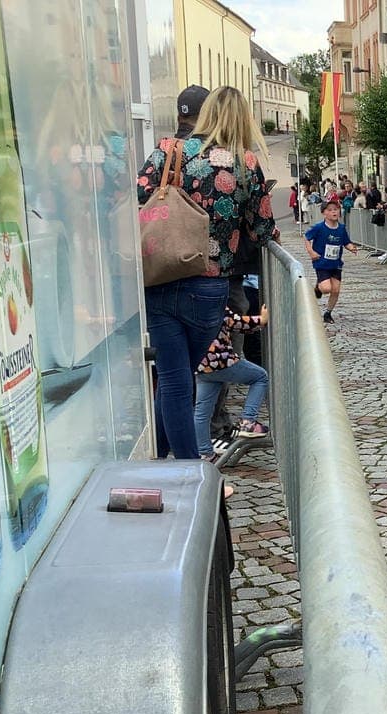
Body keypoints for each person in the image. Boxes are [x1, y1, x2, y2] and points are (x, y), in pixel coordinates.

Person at [137, 85, 275, 461]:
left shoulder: (170, 149)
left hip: (159, 276)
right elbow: (261, 229)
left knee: (173, 379)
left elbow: (138, 196)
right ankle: (186, 469)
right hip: (208, 284)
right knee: (183, 378)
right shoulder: (245, 163)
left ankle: (166, 457)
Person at [194, 305, 270, 461]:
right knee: (260, 377)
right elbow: (235, 321)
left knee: (202, 411)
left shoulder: (186, 303)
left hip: (200, 363)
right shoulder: (212, 297)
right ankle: (248, 421)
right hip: (220, 361)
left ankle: (204, 452)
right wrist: (262, 320)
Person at [304, 199, 358, 322]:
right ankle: (318, 287)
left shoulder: (341, 228)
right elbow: (307, 238)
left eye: (336, 209)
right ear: (324, 213)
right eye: (330, 210)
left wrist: (351, 248)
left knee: (336, 289)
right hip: (322, 263)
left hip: (336, 263)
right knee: (327, 289)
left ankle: (328, 313)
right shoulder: (319, 227)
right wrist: (311, 252)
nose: (334, 212)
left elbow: (346, 242)